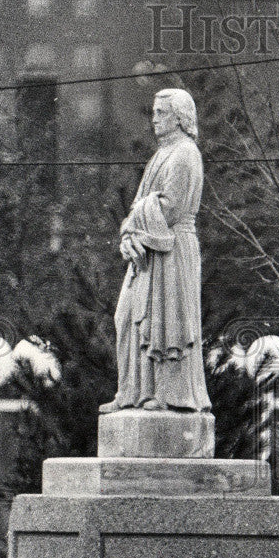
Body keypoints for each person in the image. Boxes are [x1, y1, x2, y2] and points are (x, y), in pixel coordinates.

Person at [99, 88, 212, 413]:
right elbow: (140, 205)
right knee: (127, 317)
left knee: (166, 326)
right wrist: (128, 235)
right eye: (153, 112)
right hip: (148, 250)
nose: (154, 118)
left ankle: (167, 395)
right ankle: (132, 392)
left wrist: (136, 225)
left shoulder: (185, 153)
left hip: (171, 249)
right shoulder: (161, 154)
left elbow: (171, 207)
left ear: (179, 117)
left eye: (161, 112)